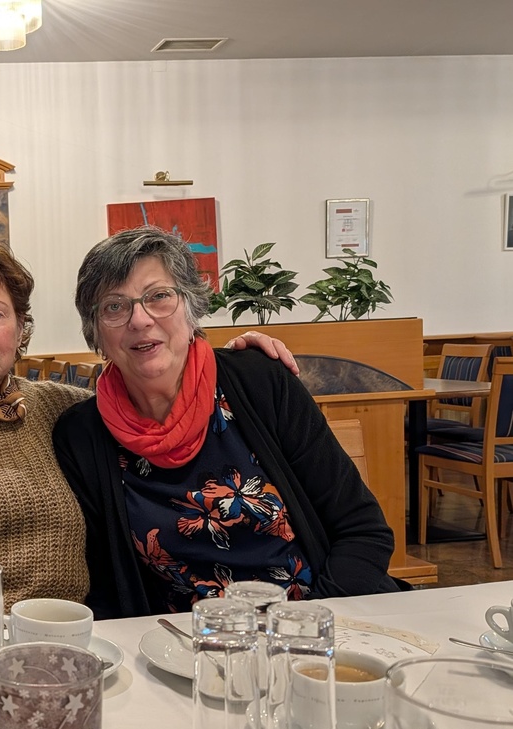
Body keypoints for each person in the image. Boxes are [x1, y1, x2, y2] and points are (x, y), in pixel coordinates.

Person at [0, 238, 298, 639]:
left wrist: (233, 362)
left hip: (80, 641)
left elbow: (150, 386)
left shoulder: (64, 410)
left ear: (20, 327)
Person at [53, 226, 401, 619]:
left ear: (191, 307)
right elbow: (104, 584)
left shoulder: (259, 382)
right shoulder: (82, 435)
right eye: (114, 307)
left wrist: (299, 628)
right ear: (96, 332)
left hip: (320, 619)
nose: (140, 319)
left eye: (159, 296)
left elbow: (362, 531)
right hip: (183, 641)